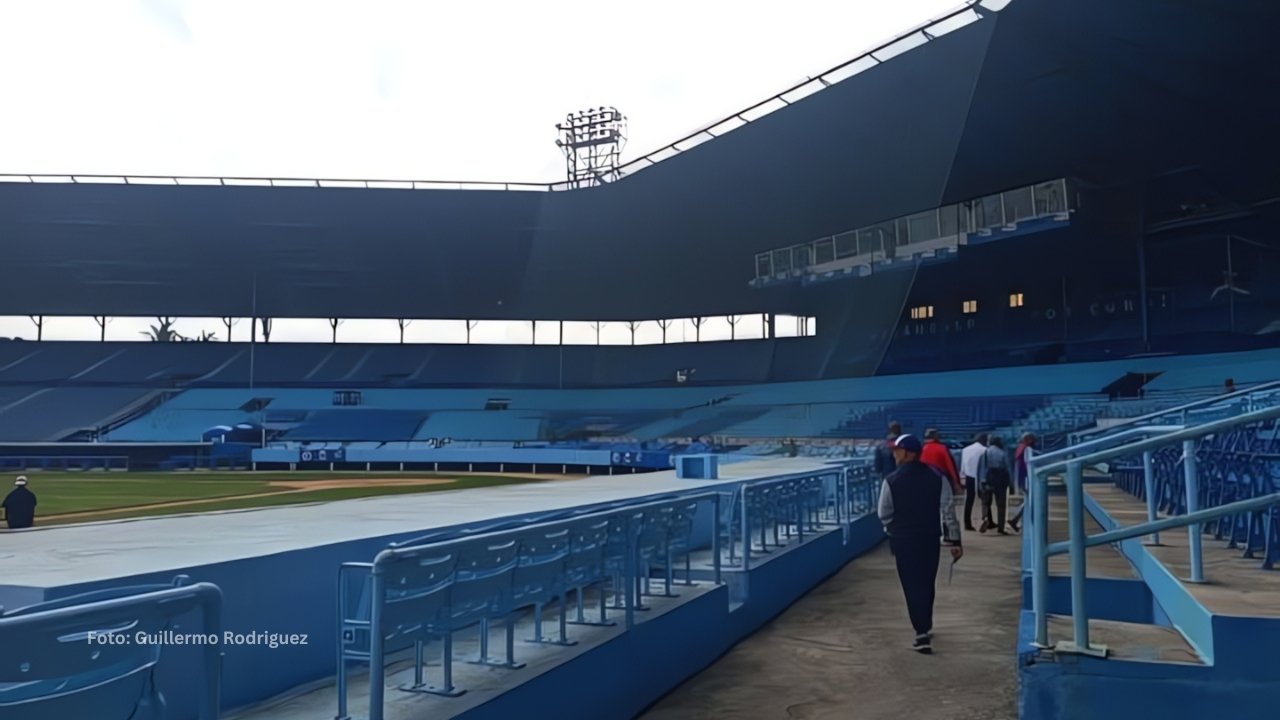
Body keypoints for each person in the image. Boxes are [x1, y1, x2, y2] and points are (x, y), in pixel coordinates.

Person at [878, 434, 963, 654]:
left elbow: (883, 513)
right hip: (929, 539)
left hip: (903, 541)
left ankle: (921, 631)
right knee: (926, 582)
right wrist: (955, 540)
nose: (894, 454)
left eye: (897, 450)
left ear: (908, 452)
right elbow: (947, 511)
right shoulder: (937, 477)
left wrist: (892, 529)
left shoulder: (891, 480)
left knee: (911, 584)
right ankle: (925, 624)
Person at [980, 436, 1012, 534]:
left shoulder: (986, 452)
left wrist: (983, 480)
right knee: (1001, 504)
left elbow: (983, 467)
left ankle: (985, 518)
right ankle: (1001, 528)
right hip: (1001, 477)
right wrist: (1011, 483)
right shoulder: (1003, 452)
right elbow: (1008, 468)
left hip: (989, 476)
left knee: (986, 502)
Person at [1008, 433, 1037, 533]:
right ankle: (1015, 520)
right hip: (1026, 479)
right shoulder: (1027, 450)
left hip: (1023, 479)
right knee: (1029, 501)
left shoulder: (1021, 448)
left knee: (1028, 501)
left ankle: (1016, 520)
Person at [959, 433, 989, 531]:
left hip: (969, 476)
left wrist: (962, 475)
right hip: (981, 477)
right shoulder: (984, 450)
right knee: (985, 499)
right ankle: (987, 520)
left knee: (969, 500)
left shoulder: (965, 450)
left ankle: (967, 522)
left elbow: (963, 465)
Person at [920, 428, 962, 495]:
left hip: (925, 483)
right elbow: (950, 467)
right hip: (942, 482)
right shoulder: (942, 449)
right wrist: (956, 483)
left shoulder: (921, 450)